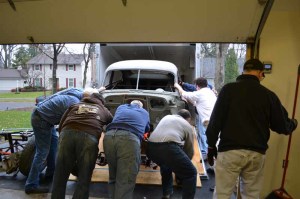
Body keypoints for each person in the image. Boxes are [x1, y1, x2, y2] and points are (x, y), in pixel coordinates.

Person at [206, 58, 298, 199]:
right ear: (261, 74)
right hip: (256, 154)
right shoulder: (268, 95)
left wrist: (211, 146)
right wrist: (293, 123)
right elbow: (282, 126)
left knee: (222, 194)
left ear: (243, 71)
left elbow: (215, 122)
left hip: (230, 151)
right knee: (251, 195)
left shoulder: (228, 90)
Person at [25, 87, 96, 194]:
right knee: (42, 152)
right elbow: (68, 123)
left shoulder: (78, 91)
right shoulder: (74, 103)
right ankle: (31, 185)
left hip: (46, 118)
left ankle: (50, 174)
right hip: (41, 119)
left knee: (53, 146)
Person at [51, 92, 113, 199]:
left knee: (60, 174)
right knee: (84, 176)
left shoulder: (75, 105)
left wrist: (63, 138)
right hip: (89, 138)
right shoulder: (103, 110)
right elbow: (113, 124)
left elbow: (62, 123)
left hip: (67, 134)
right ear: (101, 102)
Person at [103, 100, 150, 199]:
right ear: (140, 107)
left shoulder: (121, 107)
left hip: (109, 136)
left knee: (113, 177)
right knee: (126, 179)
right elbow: (146, 129)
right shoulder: (144, 112)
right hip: (128, 138)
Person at [146, 109, 197, 199]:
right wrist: (181, 170)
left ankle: (167, 194)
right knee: (191, 173)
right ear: (188, 119)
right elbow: (189, 150)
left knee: (166, 165)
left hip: (150, 148)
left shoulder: (167, 117)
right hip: (168, 148)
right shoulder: (188, 126)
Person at [174, 77, 217, 160]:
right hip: (215, 120)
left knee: (203, 135)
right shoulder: (210, 92)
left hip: (208, 121)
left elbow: (184, 93)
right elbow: (196, 103)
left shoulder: (200, 93)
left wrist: (177, 86)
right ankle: (210, 155)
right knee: (211, 139)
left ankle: (205, 155)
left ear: (197, 86)